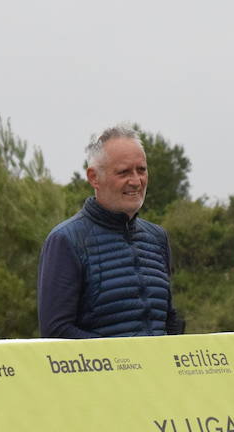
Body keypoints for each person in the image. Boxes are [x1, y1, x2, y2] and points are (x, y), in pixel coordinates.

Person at [37, 125, 182, 338]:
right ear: (94, 177)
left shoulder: (157, 238)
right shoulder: (65, 240)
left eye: (141, 170)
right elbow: (56, 331)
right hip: (99, 371)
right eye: (123, 172)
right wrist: (125, 360)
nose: (135, 181)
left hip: (159, 371)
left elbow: (167, 319)